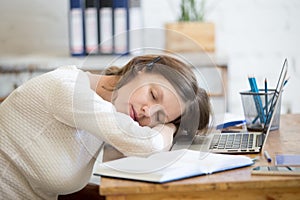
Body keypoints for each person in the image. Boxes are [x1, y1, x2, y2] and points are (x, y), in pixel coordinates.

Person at [0, 54, 211, 200]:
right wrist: (170, 128)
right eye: (153, 94)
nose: (148, 112)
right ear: (140, 68)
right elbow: (149, 143)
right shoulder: (68, 89)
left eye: (159, 115)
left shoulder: (109, 110)